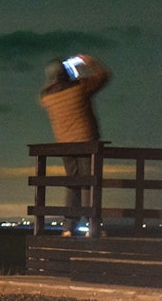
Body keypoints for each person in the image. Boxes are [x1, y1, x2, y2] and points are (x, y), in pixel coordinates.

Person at [39, 53, 111, 236]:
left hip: (65, 145)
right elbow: (103, 76)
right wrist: (88, 61)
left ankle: (68, 227)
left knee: (73, 184)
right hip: (87, 142)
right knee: (89, 184)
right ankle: (93, 225)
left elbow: (47, 90)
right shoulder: (80, 88)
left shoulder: (47, 98)